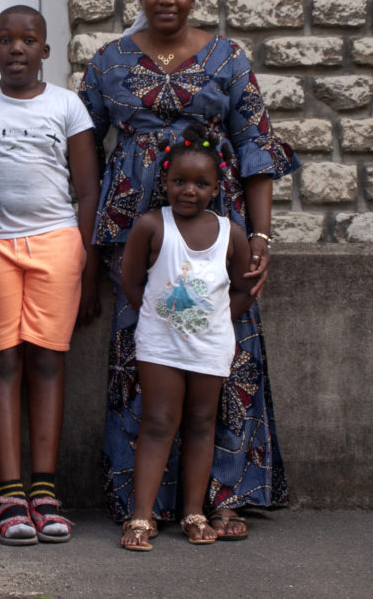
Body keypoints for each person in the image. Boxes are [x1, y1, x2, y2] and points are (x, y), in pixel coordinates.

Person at [79, 0, 299, 540]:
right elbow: (81, 148)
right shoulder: (108, 62)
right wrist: (85, 239)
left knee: (227, 351)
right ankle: (141, 502)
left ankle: (222, 497)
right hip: (135, 232)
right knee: (142, 354)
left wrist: (259, 237)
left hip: (214, 233)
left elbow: (256, 148)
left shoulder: (228, 58)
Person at [0, 5, 100, 545]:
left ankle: (46, 491)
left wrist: (86, 260)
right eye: (5, 40)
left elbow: (86, 190)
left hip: (57, 244)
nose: (16, 49)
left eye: (28, 40)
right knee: (2, 361)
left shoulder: (67, 106)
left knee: (48, 361)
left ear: (45, 52)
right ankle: (11, 494)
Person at [119, 125, 255, 551]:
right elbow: (130, 280)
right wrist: (163, 320)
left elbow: (243, 289)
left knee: (201, 424)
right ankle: (141, 516)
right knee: (158, 423)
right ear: (165, 181)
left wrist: (215, 322)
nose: (189, 191)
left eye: (200, 183)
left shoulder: (231, 234)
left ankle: (193, 512)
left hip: (211, 346)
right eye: (179, 181)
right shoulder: (151, 225)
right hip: (159, 345)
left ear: (216, 188)